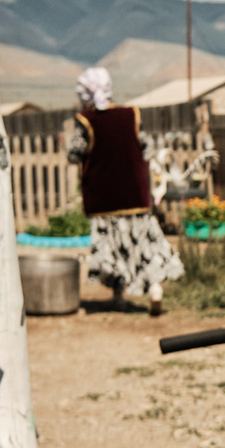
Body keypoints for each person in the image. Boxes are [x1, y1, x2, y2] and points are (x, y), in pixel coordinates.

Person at [68, 66, 183, 314]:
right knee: (143, 243)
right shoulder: (131, 114)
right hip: (133, 193)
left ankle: (118, 296)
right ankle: (154, 288)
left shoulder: (86, 121)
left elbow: (73, 154)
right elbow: (146, 148)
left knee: (112, 248)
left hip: (104, 198)